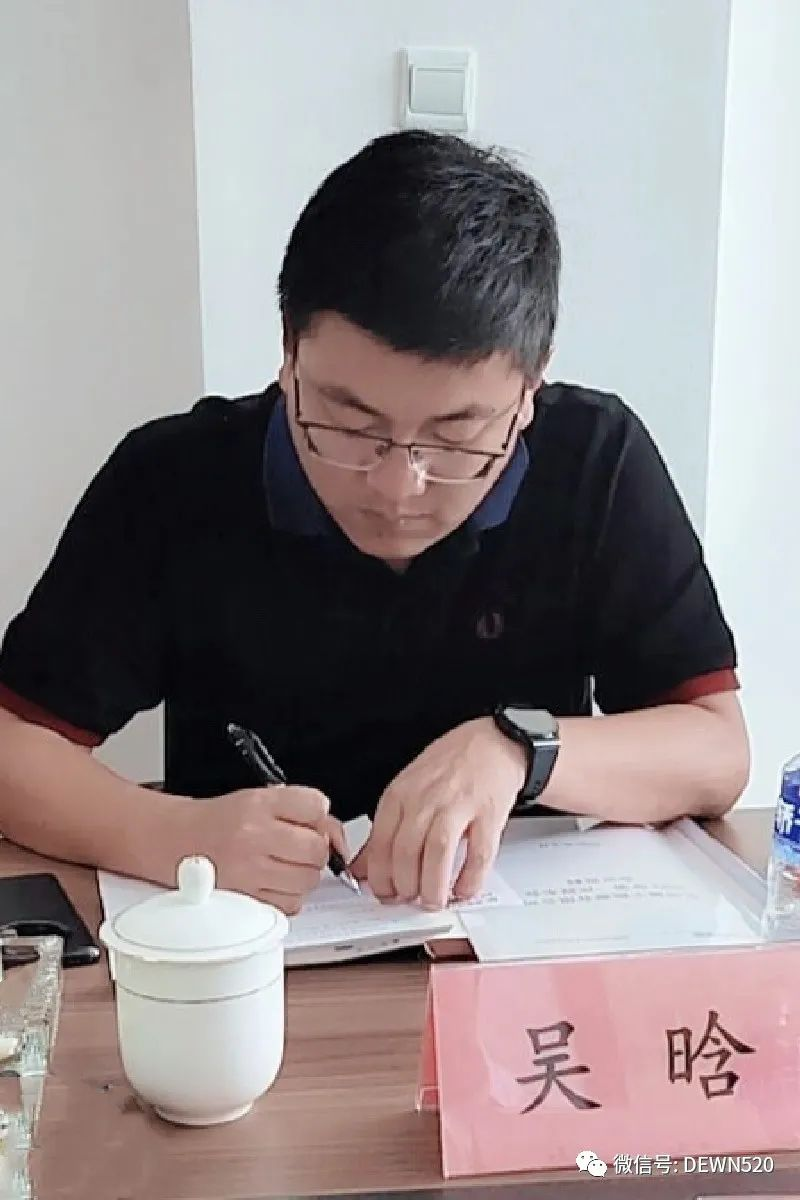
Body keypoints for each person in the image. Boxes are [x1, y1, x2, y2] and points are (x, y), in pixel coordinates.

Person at [0, 131, 749, 916]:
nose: (398, 487)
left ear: (530, 388)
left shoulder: (594, 462)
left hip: (516, 945)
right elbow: (14, 745)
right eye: (351, 425)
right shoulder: (174, 480)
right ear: (289, 353)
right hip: (258, 944)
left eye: (456, 435)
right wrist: (171, 836)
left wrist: (522, 749)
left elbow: (717, 749)